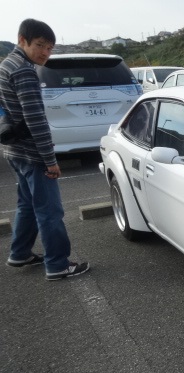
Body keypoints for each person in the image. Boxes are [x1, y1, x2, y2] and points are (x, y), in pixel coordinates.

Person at [0, 19, 89, 280]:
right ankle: (58, 265)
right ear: (22, 40)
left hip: (15, 151)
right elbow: (36, 119)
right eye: (40, 45)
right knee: (50, 211)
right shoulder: (24, 71)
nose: (45, 53)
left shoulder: (6, 66)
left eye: (50, 48)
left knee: (27, 205)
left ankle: (20, 253)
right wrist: (50, 160)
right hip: (32, 153)